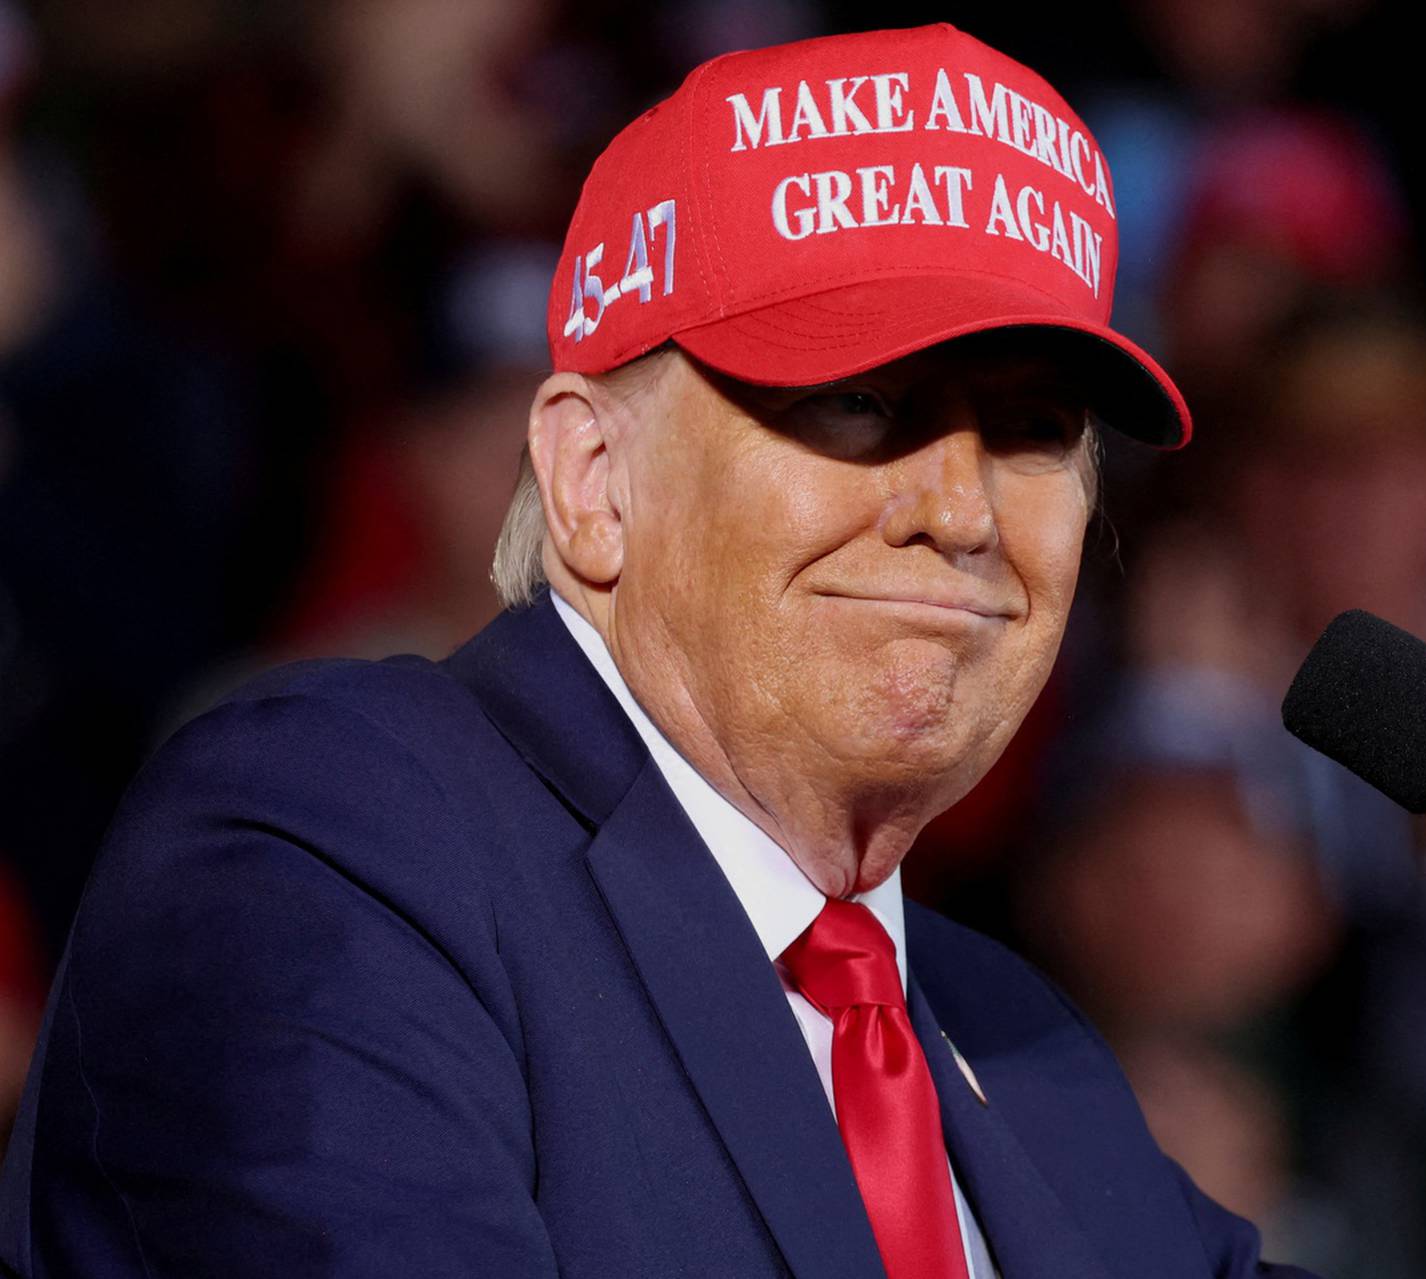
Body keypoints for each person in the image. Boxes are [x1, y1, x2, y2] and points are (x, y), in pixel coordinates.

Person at [0, 24, 1317, 1278]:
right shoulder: (332, 847)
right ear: (593, 477)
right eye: (860, 402)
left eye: (1032, 427)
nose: (962, 511)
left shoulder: (1024, 1052)